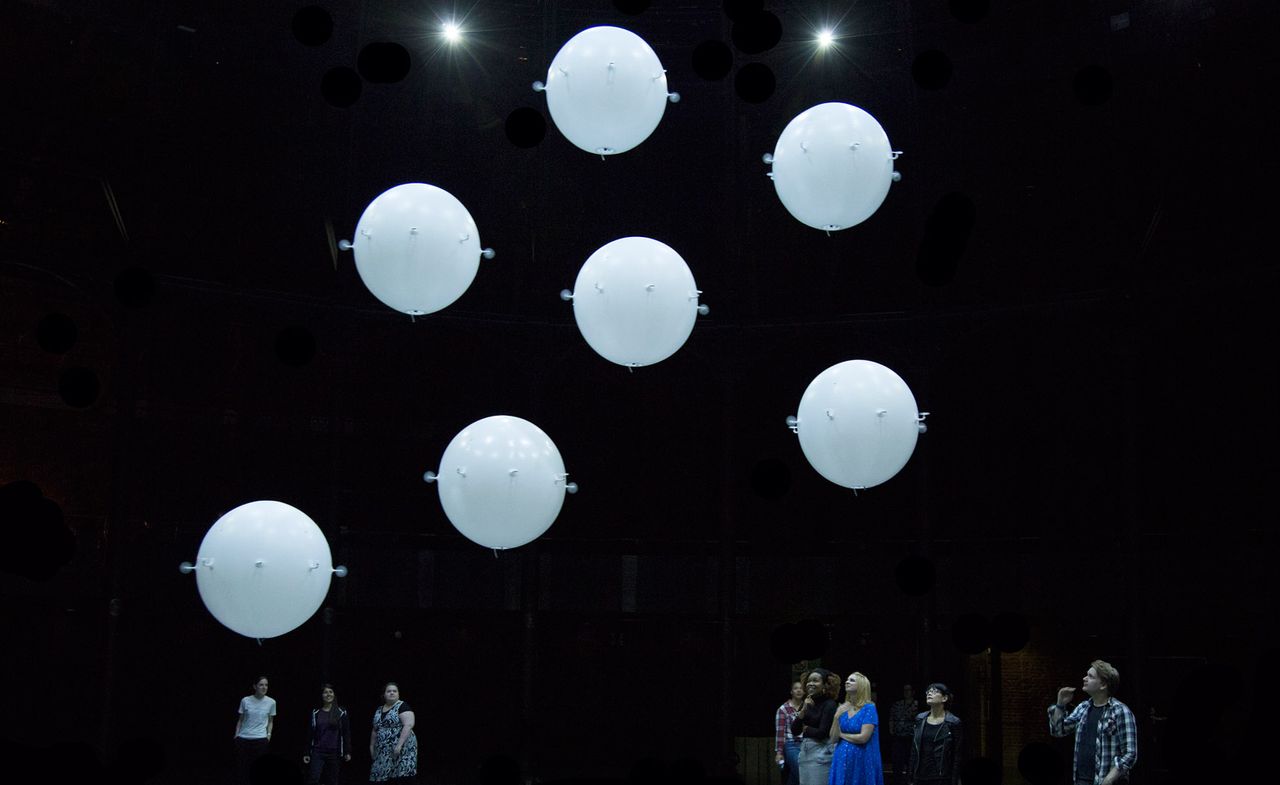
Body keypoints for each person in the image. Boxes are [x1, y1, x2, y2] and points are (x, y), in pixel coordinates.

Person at [1048, 660, 1138, 785]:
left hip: (1106, 781)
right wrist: (1060, 705)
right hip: (1081, 780)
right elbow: (1058, 731)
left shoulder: (1120, 711)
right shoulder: (1083, 708)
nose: (1084, 678)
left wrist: (1109, 779)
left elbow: (1130, 753)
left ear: (1103, 685)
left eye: (1090, 676)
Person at [829, 672, 882, 785]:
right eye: (847, 680)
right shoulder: (842, 708)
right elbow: (833, 738)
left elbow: (863, 738)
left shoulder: (869, 708)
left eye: (852, 680)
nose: (847, 682)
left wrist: (842, 735)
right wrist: (836, 716)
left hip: (861, 760)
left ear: (862, 686)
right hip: (841, 759)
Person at [790, 669, 841, 785]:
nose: (811, 683)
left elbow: (822, 733)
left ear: (825, 685)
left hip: (821, 753)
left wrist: (806, 729)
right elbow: (794, 730)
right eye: (809, 681)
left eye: (815, 681)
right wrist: (803, 710)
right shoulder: (807, 702)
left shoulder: (830, 704)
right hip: (805, 751)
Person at [907, 683, 962, 785]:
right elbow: (914, 750)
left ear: (944, 698)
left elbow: (957, 754)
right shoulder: (920, 719)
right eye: (928, 691)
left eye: (935, 691)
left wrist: (954, 780)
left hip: (941, 777)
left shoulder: (953, 722)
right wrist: (910, 776)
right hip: (920, 776)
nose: (930, 693)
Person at [304, 684, 352, 785]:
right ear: (322, 695)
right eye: (325, 692)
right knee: (313, 778)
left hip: (334, 752)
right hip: (318, 751)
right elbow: (310, 734)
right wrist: (307, 752)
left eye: (330, 692)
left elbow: (346, 733)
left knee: (333, 781)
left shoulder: (341, 712)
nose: (328, 694)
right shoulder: (316, 712)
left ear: (334, 695)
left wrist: (347, 751)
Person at [370, 682, 418, 783]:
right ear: (384, 694)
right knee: (380, 775)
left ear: (398, 694)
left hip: (402, 750)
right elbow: (375, 729)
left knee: (401, 776)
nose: (392, 693)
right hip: (383, 751)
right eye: (389, 691)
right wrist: (371, 745)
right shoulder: (379, 709)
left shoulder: (402, 706)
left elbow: (408, 725)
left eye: (394, 691)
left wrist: (399, 745)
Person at [234, 676, 277, 784]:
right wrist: (236, 735)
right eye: (261, 684)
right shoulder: (245, 700)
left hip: (261, 740)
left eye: (266, 685)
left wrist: (268, 735)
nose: (264, 687)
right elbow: (240, 720)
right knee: (243, 770)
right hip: (244, 739)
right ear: (255, 686)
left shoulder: (271, 702)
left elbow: (271, 721)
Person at [775, 680, 805, 785]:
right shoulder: (783, 709)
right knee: (801, 772)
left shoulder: (807, 707)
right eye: (796, 688)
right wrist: (779, 752)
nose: (798, 690)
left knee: (794, 778)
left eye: (801, 688)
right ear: (791, 692)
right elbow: (780, 732)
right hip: (791, 744)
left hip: (806, 745)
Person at [888, 685, 918, 784]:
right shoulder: (897, 704)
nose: (906, 692)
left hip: (911, 738)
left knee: (911, 763)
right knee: (897, 763)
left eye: (908, 690)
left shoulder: (917, 705)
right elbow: (892, 717)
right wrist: (891, 730)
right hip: (898, 737)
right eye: (904, 690)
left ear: (913, 692)